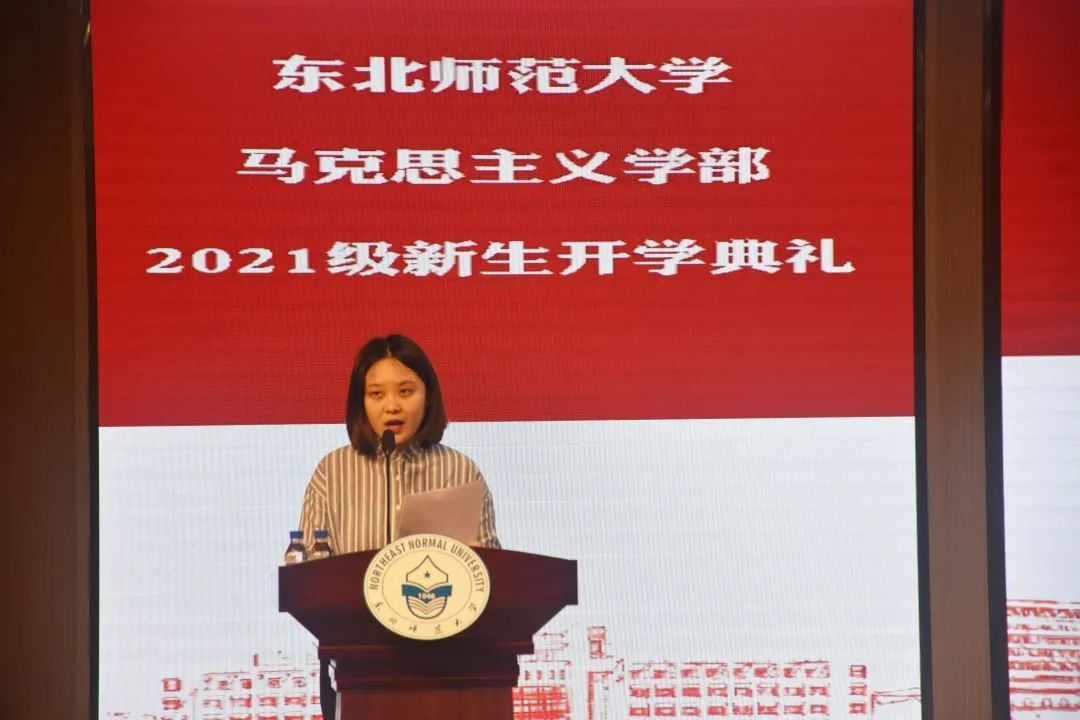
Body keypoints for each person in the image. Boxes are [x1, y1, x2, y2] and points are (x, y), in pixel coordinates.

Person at [297, 334, 500, 720]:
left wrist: (479, 560)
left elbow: (497, 574)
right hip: (357, 670)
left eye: (405, 391)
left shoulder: (460, 471)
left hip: (449, 666)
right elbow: (308, 575)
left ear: (428, 396)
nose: (392, 405)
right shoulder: (332, 472)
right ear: (361, 402)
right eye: (376, 394)